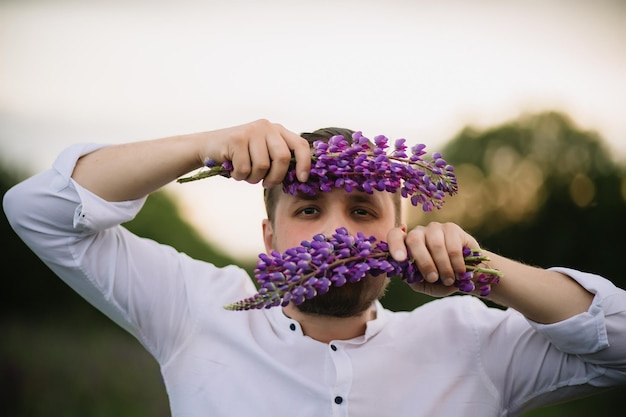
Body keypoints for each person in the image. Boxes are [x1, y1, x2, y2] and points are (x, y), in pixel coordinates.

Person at [3, 119, 626, 417]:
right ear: (269, 239)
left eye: (362, 210)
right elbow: (38, 211)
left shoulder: (470, 338)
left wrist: (490, 273)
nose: (336, 232)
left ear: (400, 236)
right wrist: (204, 148)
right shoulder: (198, 310)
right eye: (308, 209)